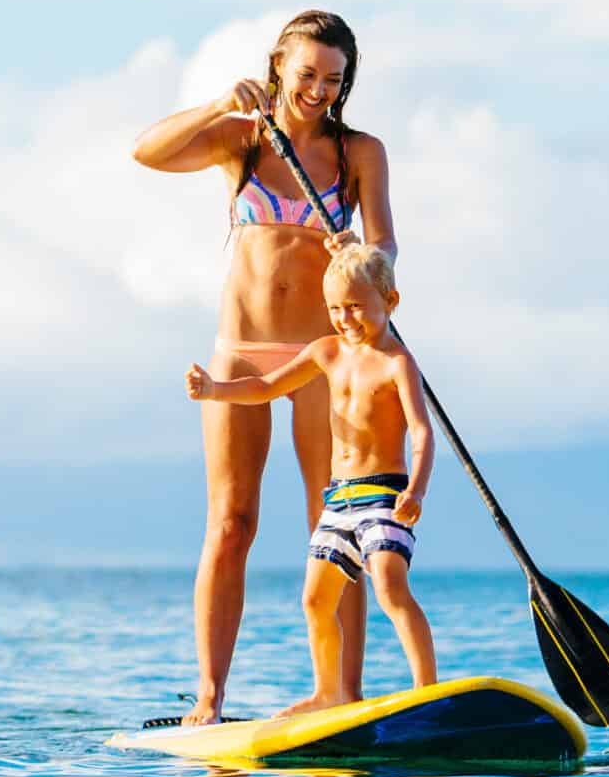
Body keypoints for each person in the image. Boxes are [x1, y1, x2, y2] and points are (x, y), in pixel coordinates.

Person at [132, 10, 398, 724]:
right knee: (231, 522)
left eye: (333, 79)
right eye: (307, 73)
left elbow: (387, 250)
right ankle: (210, 700)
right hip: (240, 350)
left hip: (325, 358)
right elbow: (146, 153)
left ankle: (342, 693)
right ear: (279, 67)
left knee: (334, 523)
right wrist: (221, 102)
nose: (318, 89)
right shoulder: (243, 141)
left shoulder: (360, 153)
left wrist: (361, 259)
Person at [186, 243, 435, 716]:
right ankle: (329, 691)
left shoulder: (397, 363)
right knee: (315, 600)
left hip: (385, 495)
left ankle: (426, 691)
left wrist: (416, 488)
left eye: (357, 306)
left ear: (391, 302)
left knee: (388, 583)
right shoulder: (326, 352)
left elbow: (422, 432)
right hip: (338, 502)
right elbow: (265, 387)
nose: (345, 318)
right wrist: (216, 389)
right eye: (336, 308)